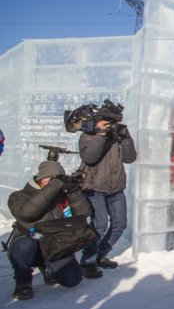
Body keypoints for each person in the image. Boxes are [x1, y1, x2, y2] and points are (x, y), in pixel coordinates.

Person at [7, 161, 93, 299]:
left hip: (55, 244)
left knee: (72, 280)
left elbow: (84, 213)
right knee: (23, 246)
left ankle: (48, 268)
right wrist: (53, 187)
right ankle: (23, 282)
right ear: (40, 178)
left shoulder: (62, 195)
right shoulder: (19, 196)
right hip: (32, 239)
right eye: (51, 178)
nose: (55, 182)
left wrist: (73, 191)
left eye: (58, 178)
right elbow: (27, 213)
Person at [79, 111, 137, 273]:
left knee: (120, 224)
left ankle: (100, 254)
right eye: (106, 123)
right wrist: (101, 134)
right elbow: (90, 157)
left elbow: (130, 158)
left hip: (116, 187)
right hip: (94, 187)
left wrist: (126, 138)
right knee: (100, 225)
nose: (110, 127)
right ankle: (88, 260)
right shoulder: (88, 135)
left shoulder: (117, 137)